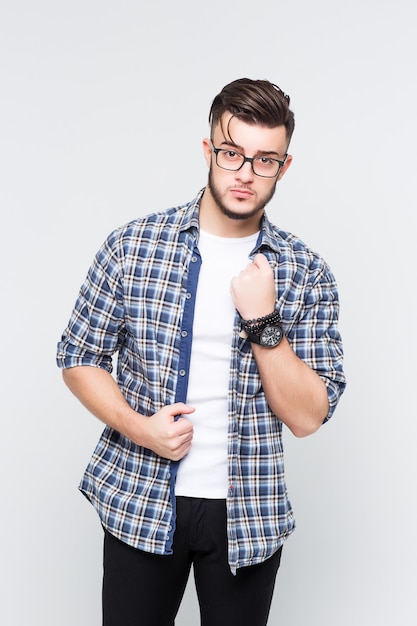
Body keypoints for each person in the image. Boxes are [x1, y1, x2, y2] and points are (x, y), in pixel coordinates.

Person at [57, 77, 346, 626]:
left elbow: (309, 416)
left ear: (284, 167)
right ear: (209, 151)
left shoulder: (306, 272)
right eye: (232, 153)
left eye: (265, 160)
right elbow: (78, 355)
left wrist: (263, 321)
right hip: (141, 498)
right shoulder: (133, 246)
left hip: (248, 515)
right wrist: (138, 427)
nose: (245, 172)